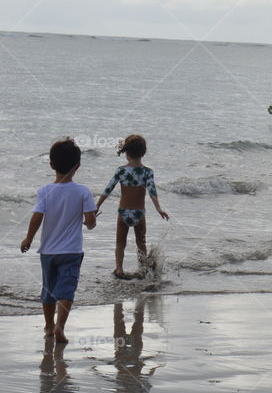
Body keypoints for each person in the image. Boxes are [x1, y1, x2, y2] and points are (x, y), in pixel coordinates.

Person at [20, 138, 98, 343]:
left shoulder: (45, 191)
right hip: (72, 251)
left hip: (48, 252)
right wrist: (90, 221)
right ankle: (60, 327)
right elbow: (90, 222)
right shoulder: (83, 191)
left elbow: (37, 217)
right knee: (67, 289)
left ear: (51, 164)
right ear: (78, 167)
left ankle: (48, 325)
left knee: (48, 288)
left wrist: (28, 238)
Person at [95, 134, 169, 278]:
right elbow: (152, 192)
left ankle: (119, 269)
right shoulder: (147, 172)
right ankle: (143, 268)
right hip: (139, 213)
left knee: (120, 243)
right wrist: (158, 209)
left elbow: (108, 189)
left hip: (123, 212)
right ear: (144, 152)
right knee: (141, 243)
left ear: (126, 152)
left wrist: (97, 205)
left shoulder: (121, 170)